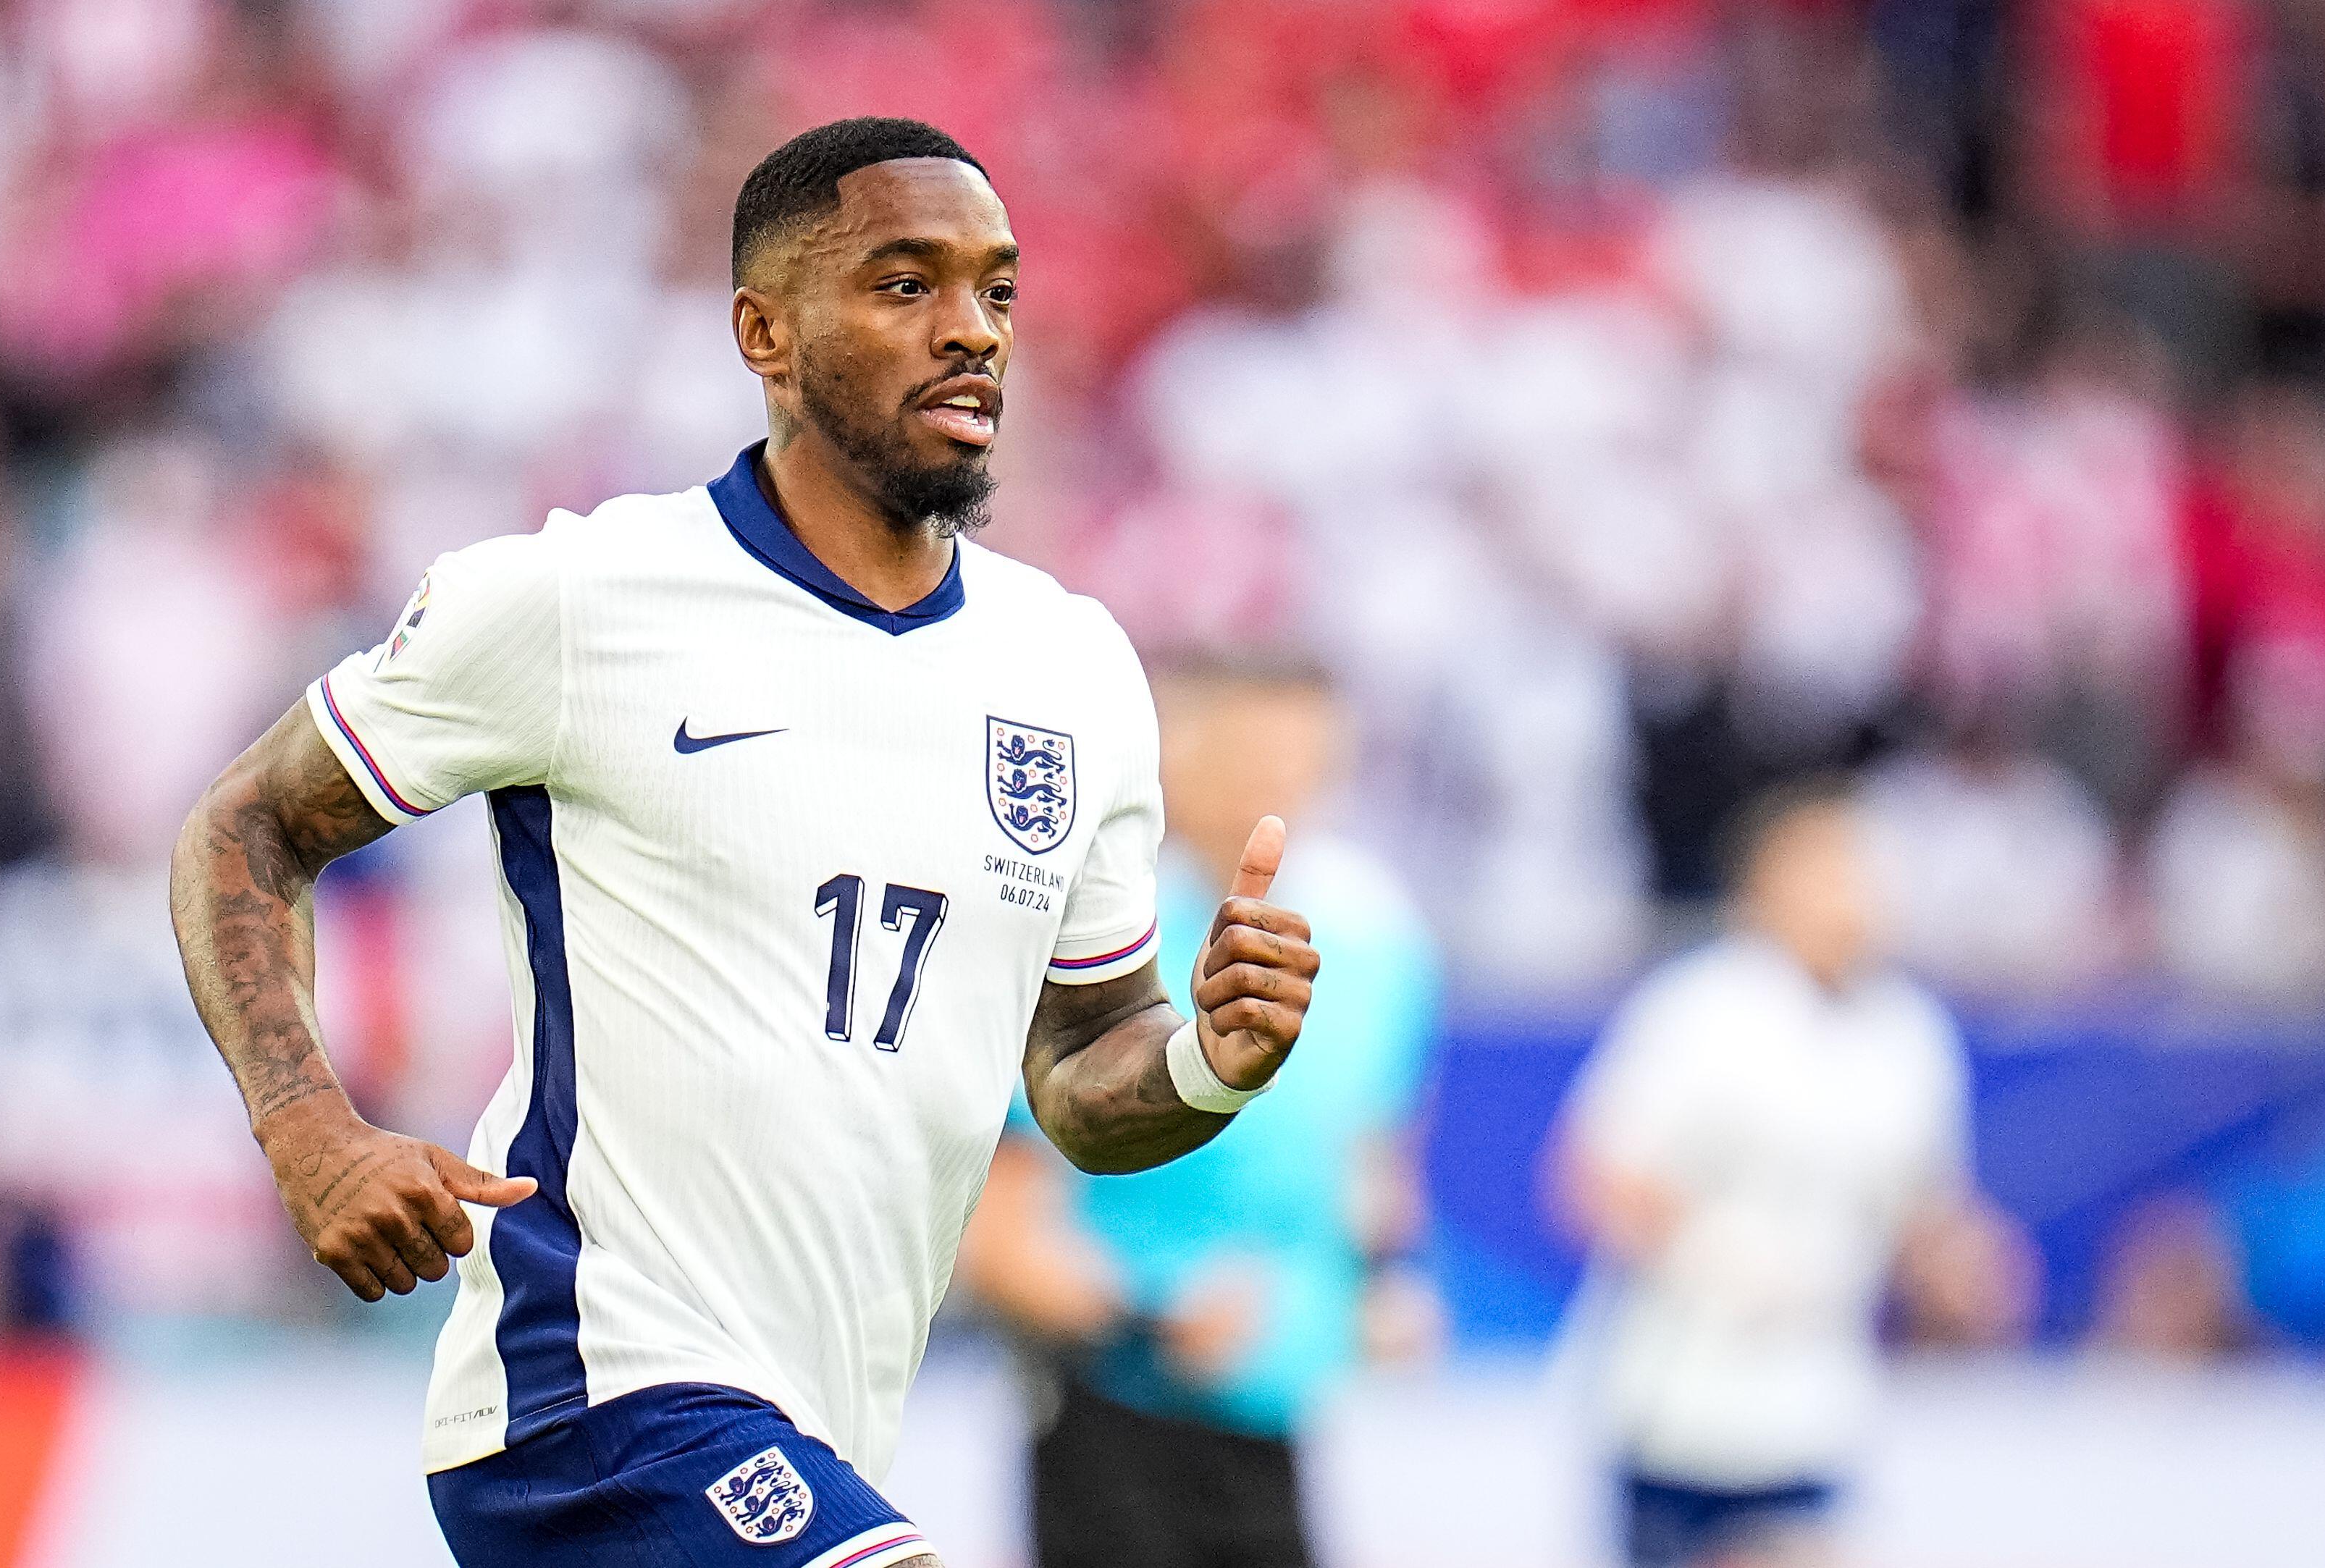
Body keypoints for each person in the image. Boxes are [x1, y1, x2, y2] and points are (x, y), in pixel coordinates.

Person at [167, 118, 1322, 1568]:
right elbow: (249, 823)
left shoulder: (1070, 669)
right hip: (589, 1401)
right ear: (762, 333)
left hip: (822, 1422)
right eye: (905, 285)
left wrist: (1214, 1056)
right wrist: (308, 1127)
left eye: (997, 292)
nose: (969, 331)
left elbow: (1085, 1072)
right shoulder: (585, 599)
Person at [961, 654, 1442, 1568]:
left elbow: (1374, 1156)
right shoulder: (1093, 931)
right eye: (1251, 756)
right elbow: (1002, 1232)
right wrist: (1153, 1318)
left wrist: (1386, 1277)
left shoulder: (1381, 943)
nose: (1280, 786)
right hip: (1114, 1412)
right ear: (1177, 758)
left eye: (1305, 759)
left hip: (1278, 1407)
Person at [1551, 780, 2015, 1568]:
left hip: (1815, 1409)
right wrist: (1708, 1255)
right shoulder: (1697, 1010)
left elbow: (1924, 1210)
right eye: (1824, 871)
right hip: (1676, 1408)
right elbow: (1592, 1176)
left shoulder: (1909, 1035)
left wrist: (1962, 1268)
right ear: (1762, 886)